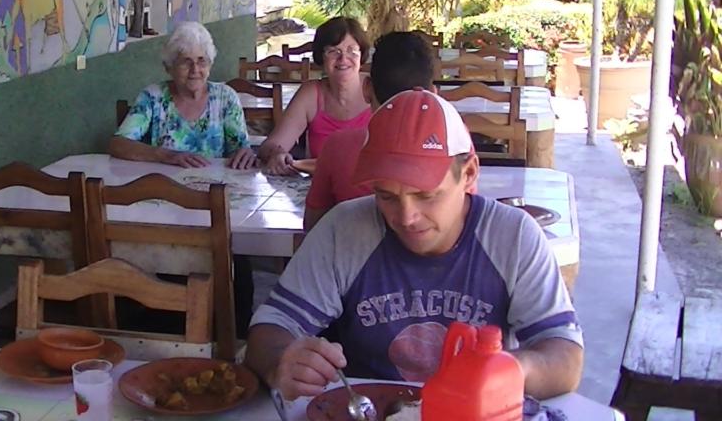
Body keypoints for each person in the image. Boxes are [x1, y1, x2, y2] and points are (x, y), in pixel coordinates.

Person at [245, 89, 583, 401]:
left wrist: (514, 370)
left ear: (468, 174)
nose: (406, 217)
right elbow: (271, 327)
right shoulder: (344, 229)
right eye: (386, 196)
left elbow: (565, 355)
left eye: (426, 195)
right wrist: (282, 361)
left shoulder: (513, 237)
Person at [304, 31, 441, 230]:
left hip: (354, 248)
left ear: (366, 88)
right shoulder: (455, 145)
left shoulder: (338, 146)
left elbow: (313, 227)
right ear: (433, 94)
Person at [110, 22, 257, 169]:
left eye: (201, 61)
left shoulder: (226, 98)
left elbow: (240, 150)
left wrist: (245, 153)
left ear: (210, 65)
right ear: (169, 67)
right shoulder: (153, 97)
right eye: (186, 62)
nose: (195, 70)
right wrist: (167, 155)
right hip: (162, 182)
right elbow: (118, 144)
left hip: (214, 182)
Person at [258, 17, 372, 175]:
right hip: (320, 186)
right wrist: (277, 154)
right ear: (321, 57)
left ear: (362, 54)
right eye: (333, 51)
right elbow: (270, 145)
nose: (343, 59)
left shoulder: (377, 89)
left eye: (351, 50)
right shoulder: (311, 94)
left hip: (371, 187)